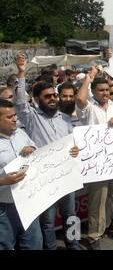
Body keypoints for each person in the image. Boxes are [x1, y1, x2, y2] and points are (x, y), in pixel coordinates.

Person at [13, 54, 81, 250]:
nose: (53, 99)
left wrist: (75, 150)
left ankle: (73, 242)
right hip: (45, 177)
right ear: (36, 100)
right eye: (47, 96)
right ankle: (50, 247)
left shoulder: (65, 118)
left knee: (71, 214)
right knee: (48, 220)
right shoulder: (31, 117)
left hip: (67, 173)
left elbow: (72, 143)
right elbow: (18, 103)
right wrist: (21, 72)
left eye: (54, 95)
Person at [75, 68, 113, 250]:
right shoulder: (89, 109)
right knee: (97, 200)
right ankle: (94, 235)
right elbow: (79, 99)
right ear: (93, 92)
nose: (105, 93)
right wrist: (89, 78)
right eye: (101, 90)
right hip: (97, 163)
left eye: (107, 90)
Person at [0, 99, 42, 250]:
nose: (14, 119)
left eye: (14, 115)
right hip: (4, 207)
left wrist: (31, 148)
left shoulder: (21, 133)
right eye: (9, 117)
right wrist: (3, 181)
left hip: (27, 202)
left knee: (34, 243)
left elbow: (36, 151)